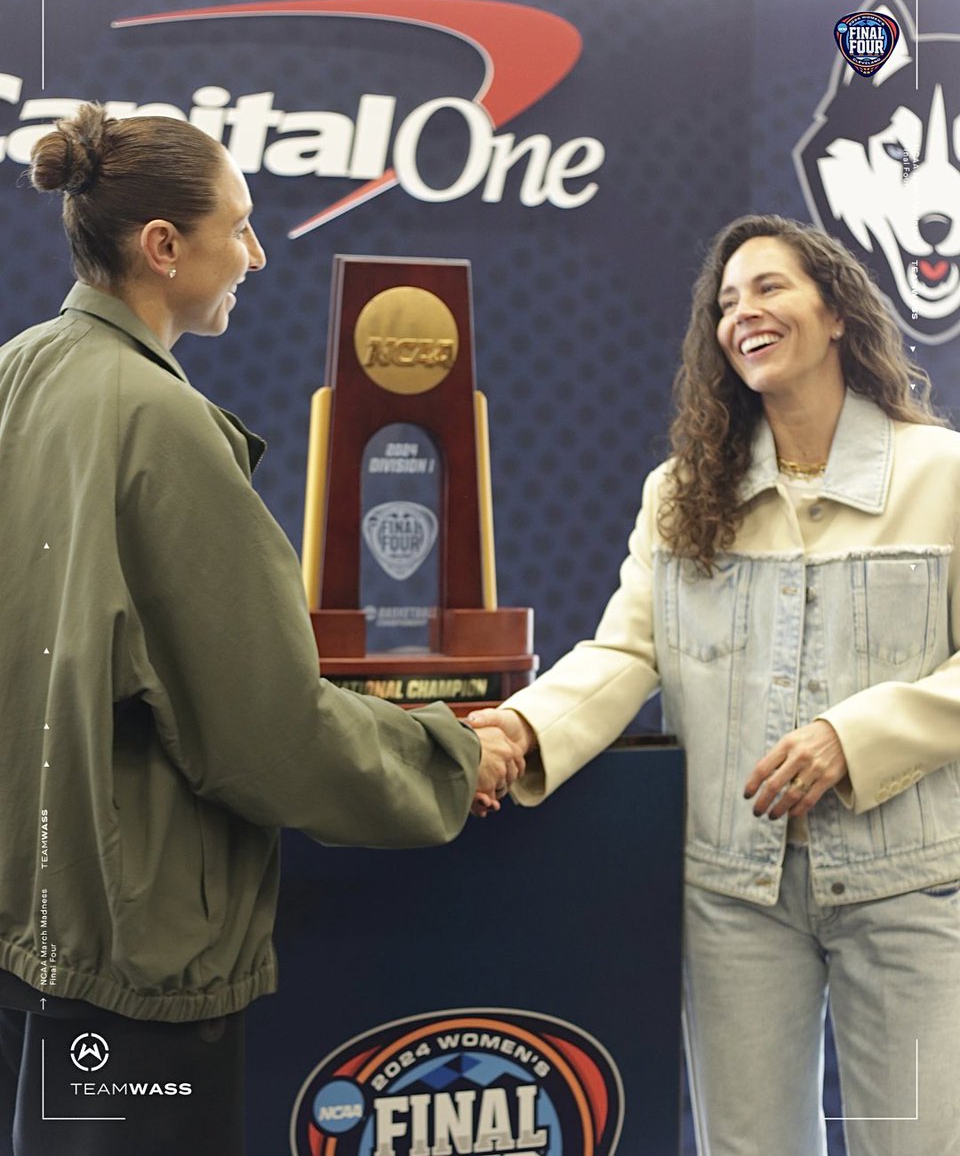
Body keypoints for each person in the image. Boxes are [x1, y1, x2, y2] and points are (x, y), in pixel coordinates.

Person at [0, 103, 521, 1156]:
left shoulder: (20, 371)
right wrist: (451, 753)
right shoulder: (164, 424)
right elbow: (262, 731)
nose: (254, 255)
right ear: (162, 248)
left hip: (34, 924)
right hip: (137, 953)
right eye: (237, 228)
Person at [469, 214, 960, 1156]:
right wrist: (521, 731)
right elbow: (624, 655)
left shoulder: (939, 472)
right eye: (726, 302)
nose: (744, 313)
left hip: (908, 884)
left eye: (770, 288)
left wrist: (852, 737)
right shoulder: (682, 492)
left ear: (838, 314)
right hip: (736, 890)